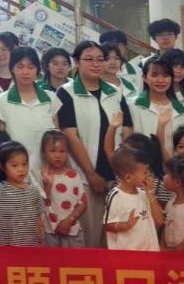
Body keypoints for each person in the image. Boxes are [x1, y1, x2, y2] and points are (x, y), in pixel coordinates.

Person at [56, 41, 131, 247]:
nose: (96, 64)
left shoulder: (115, 92)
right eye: (89, 59)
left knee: (116, 237)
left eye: (100, 59)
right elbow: (71, 135)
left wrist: (124, 169)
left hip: (117, 174)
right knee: (90, 236)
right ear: (76, 62)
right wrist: (91, 174)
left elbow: (127, 129)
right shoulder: (66, 93)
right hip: (84, 176)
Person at [0, 48, 59, 175]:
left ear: (37, 70)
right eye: (20, 67)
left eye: (31, 67)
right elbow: (1, 141)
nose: (26, 72)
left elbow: (57, 135)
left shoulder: (50, 98)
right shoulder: (2, 101)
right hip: (15, 172)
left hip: (48, 170)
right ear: (12, 68)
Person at [0, 140, 46, 247]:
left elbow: (39, 217)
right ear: (2, 166)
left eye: (24, 164)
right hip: (5, 247)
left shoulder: (33, 190)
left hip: (31, 246)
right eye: (15, 165)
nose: (21, 169)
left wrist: (41, 237)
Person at [103, 145, 163, 251]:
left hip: (149, 253)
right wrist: (125, 225)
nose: (149, 175)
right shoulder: (115, 196)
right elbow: (107, 225)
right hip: (126, 256)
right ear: (128, 177)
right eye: (145, 172)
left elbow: (159, 220)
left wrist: (150, 193)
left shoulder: (144, 194)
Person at [129, 55, 184, 160]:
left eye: (166, 75)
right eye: (154, 75)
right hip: (142, 166)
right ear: (144, 78)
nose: (160, 80)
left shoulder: (182, 109)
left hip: (173, 166)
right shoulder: (133, 105)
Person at [40, 130, 86, 247]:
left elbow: (83, 204)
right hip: (50, 232)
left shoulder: (73, 176)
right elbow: (39, 204)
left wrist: (70, 220)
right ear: (44, 152)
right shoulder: (40, 176)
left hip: (72, 231)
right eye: (53, 151)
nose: (58, 155)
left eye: (62, 151)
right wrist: (48, 184)